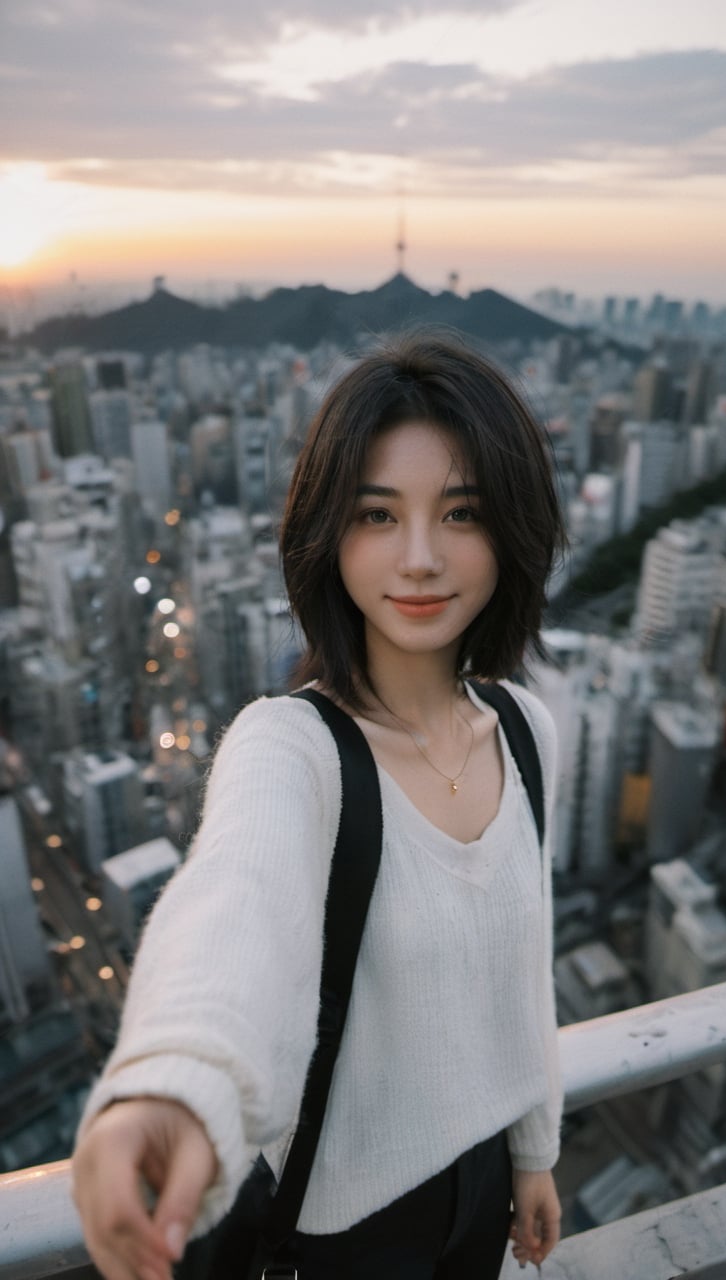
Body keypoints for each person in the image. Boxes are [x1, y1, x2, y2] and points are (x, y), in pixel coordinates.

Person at [72, 331, 566, 1280]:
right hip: (344, 1229)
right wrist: (177, 1081)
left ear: (512, 525)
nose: (419, 558)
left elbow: (523, 973)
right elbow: (237, 902)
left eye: (460, 513)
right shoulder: (293, 746)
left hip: (485, 1192)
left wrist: (534, 1150)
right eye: (377, 516)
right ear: (327, 534)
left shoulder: (527, 731)